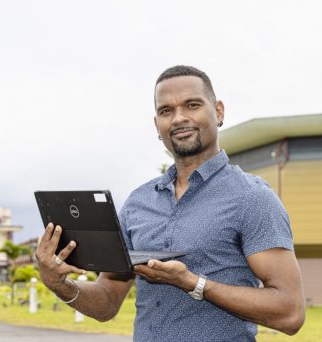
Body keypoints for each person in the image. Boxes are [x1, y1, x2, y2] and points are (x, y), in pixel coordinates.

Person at [34, 65, 305, 341]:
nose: (179, 118)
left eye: (192, 105)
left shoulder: (253, 198)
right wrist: (61, 285)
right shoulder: (138, 203)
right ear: (157, 125)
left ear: (219, 112)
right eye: (166, 111)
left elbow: (290, 313)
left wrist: (193, 283)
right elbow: (107, 301)